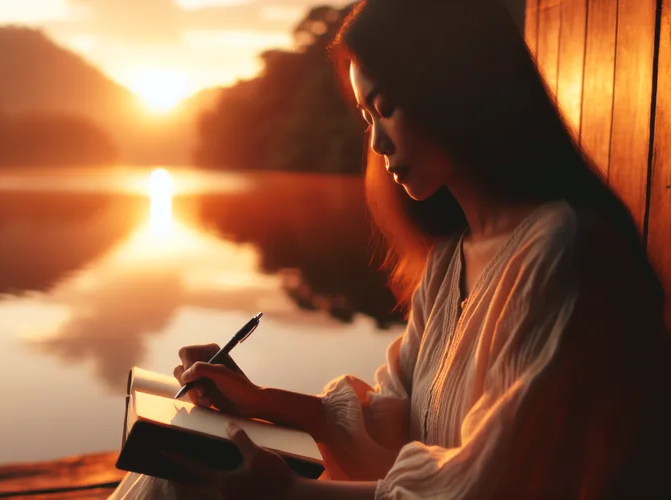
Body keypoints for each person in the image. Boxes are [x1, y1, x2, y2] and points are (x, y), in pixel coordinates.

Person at [109, 0, 671, 498]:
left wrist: (285, 495)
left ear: (452, 86)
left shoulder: (559, 253)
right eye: (365, 117)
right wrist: (255, 399)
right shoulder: (453, 258)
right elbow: (393, 421)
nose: (377, 143)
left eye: (387, 107)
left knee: (179, 480)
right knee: (179, 460)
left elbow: (486, 486)